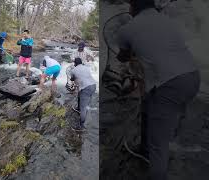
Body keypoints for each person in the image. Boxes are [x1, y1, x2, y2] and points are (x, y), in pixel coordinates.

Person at [116, 0, 200, 179]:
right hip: (193, 78)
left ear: (133, 8)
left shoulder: (126, 30)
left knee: (158, 146)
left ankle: (155, 161)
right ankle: (148, 147)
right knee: (152, 107)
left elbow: (123, 57)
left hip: (169, 86)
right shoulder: (168, 20)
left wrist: (127, 52)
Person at [70, 58, 96, 130]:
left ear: (75, 63)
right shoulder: (87, 68)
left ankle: (81, 126)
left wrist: (73, 78)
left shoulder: (74, 70)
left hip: (86, 88)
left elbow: (72, 79)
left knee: (83, 107)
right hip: (93, 85)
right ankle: (78, 108)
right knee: (81, 95)